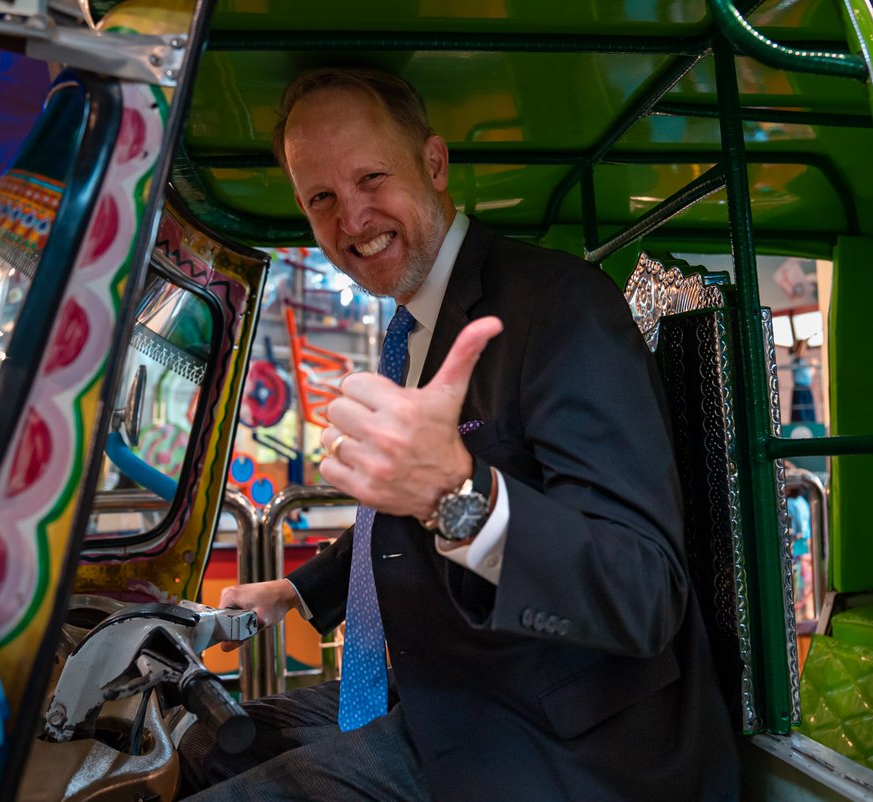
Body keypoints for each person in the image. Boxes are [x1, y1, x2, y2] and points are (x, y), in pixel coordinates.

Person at [179, 66, 737, 801]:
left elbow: (642, 591)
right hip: (444, 695)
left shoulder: (558, 308)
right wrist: (298, 590)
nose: (352, 220)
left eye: (371, 178)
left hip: (563, 745)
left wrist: (456, 497)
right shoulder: (414, 320)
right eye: (322, 199)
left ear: (434, 164)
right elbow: (406, 511)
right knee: (203, 748)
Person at [789, 339, 817, 422]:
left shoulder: (804, 362)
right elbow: (799, 354)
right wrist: (802, 343)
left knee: (810, 415)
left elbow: (808, 377)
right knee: (801, 417)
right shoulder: (797, 360)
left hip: (806, 390)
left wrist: (813, 366)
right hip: (800, 390)